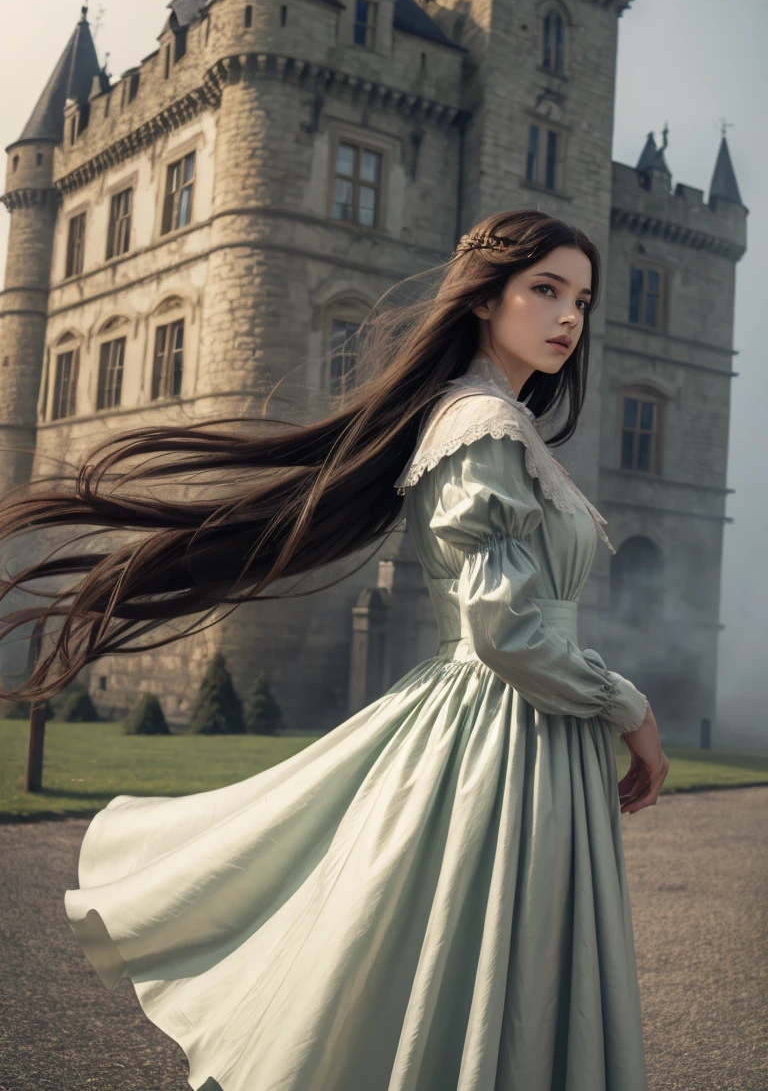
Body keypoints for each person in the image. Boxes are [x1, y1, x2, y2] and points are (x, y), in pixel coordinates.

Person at [0, 209, 669, 1091]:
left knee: (466, 968)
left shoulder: (496, 423)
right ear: (483, 299)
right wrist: (634, 709)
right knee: (492, 968)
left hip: (526, 726)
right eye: (545, 289)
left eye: (581, 299)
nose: (569, 317)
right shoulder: (481, 426)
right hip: (512, 731)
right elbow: (505, 633)